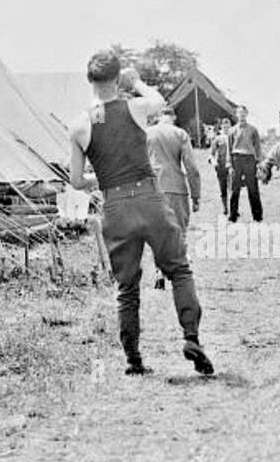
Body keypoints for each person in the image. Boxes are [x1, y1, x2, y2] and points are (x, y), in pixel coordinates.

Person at [68, 52, 213, 376]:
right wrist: (136, 82)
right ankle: (191, 337)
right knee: (178, 270)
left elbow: (77, 181)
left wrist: (103, 178)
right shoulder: (134, 107)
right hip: (148, 195)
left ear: (89, 81)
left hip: (115, 205)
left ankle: (133, 359)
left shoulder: (78, 125)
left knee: (127, 287)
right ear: (117, 79)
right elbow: (159, 101)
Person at [146, 106, 201, 290]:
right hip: (176, 188)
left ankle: (159, 272)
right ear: (173, 118)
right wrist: (196, 195)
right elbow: (191, 168)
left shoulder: (147, 134)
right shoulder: (180, 134)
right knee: (179, 232)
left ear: (159, 116)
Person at [228, 104, 263, 223]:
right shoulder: (232, 130)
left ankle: (257, 216)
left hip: (249, 159)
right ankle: (233, 215)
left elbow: (257, 147)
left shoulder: (253, 129)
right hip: (236, 159)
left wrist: (258, 162)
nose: (241, 115)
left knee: (252, 188)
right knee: (235, 189)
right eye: (239, 113)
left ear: (247, 114)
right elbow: (229, 148)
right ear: (236, 115)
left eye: (243, 113)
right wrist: (229, 164)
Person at [208, 117, 232, 216]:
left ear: (230, 127)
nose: (226, 128)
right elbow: (211, 153)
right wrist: (213, 162)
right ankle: (225, 208)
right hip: (221, 166)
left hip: (232, 166)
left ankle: (233, 208)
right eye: (224, 126)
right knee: (223, 188)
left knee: (232, 187)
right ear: (221, 127)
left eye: (228, 126)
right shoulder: (218, 139)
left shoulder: (234, 138)